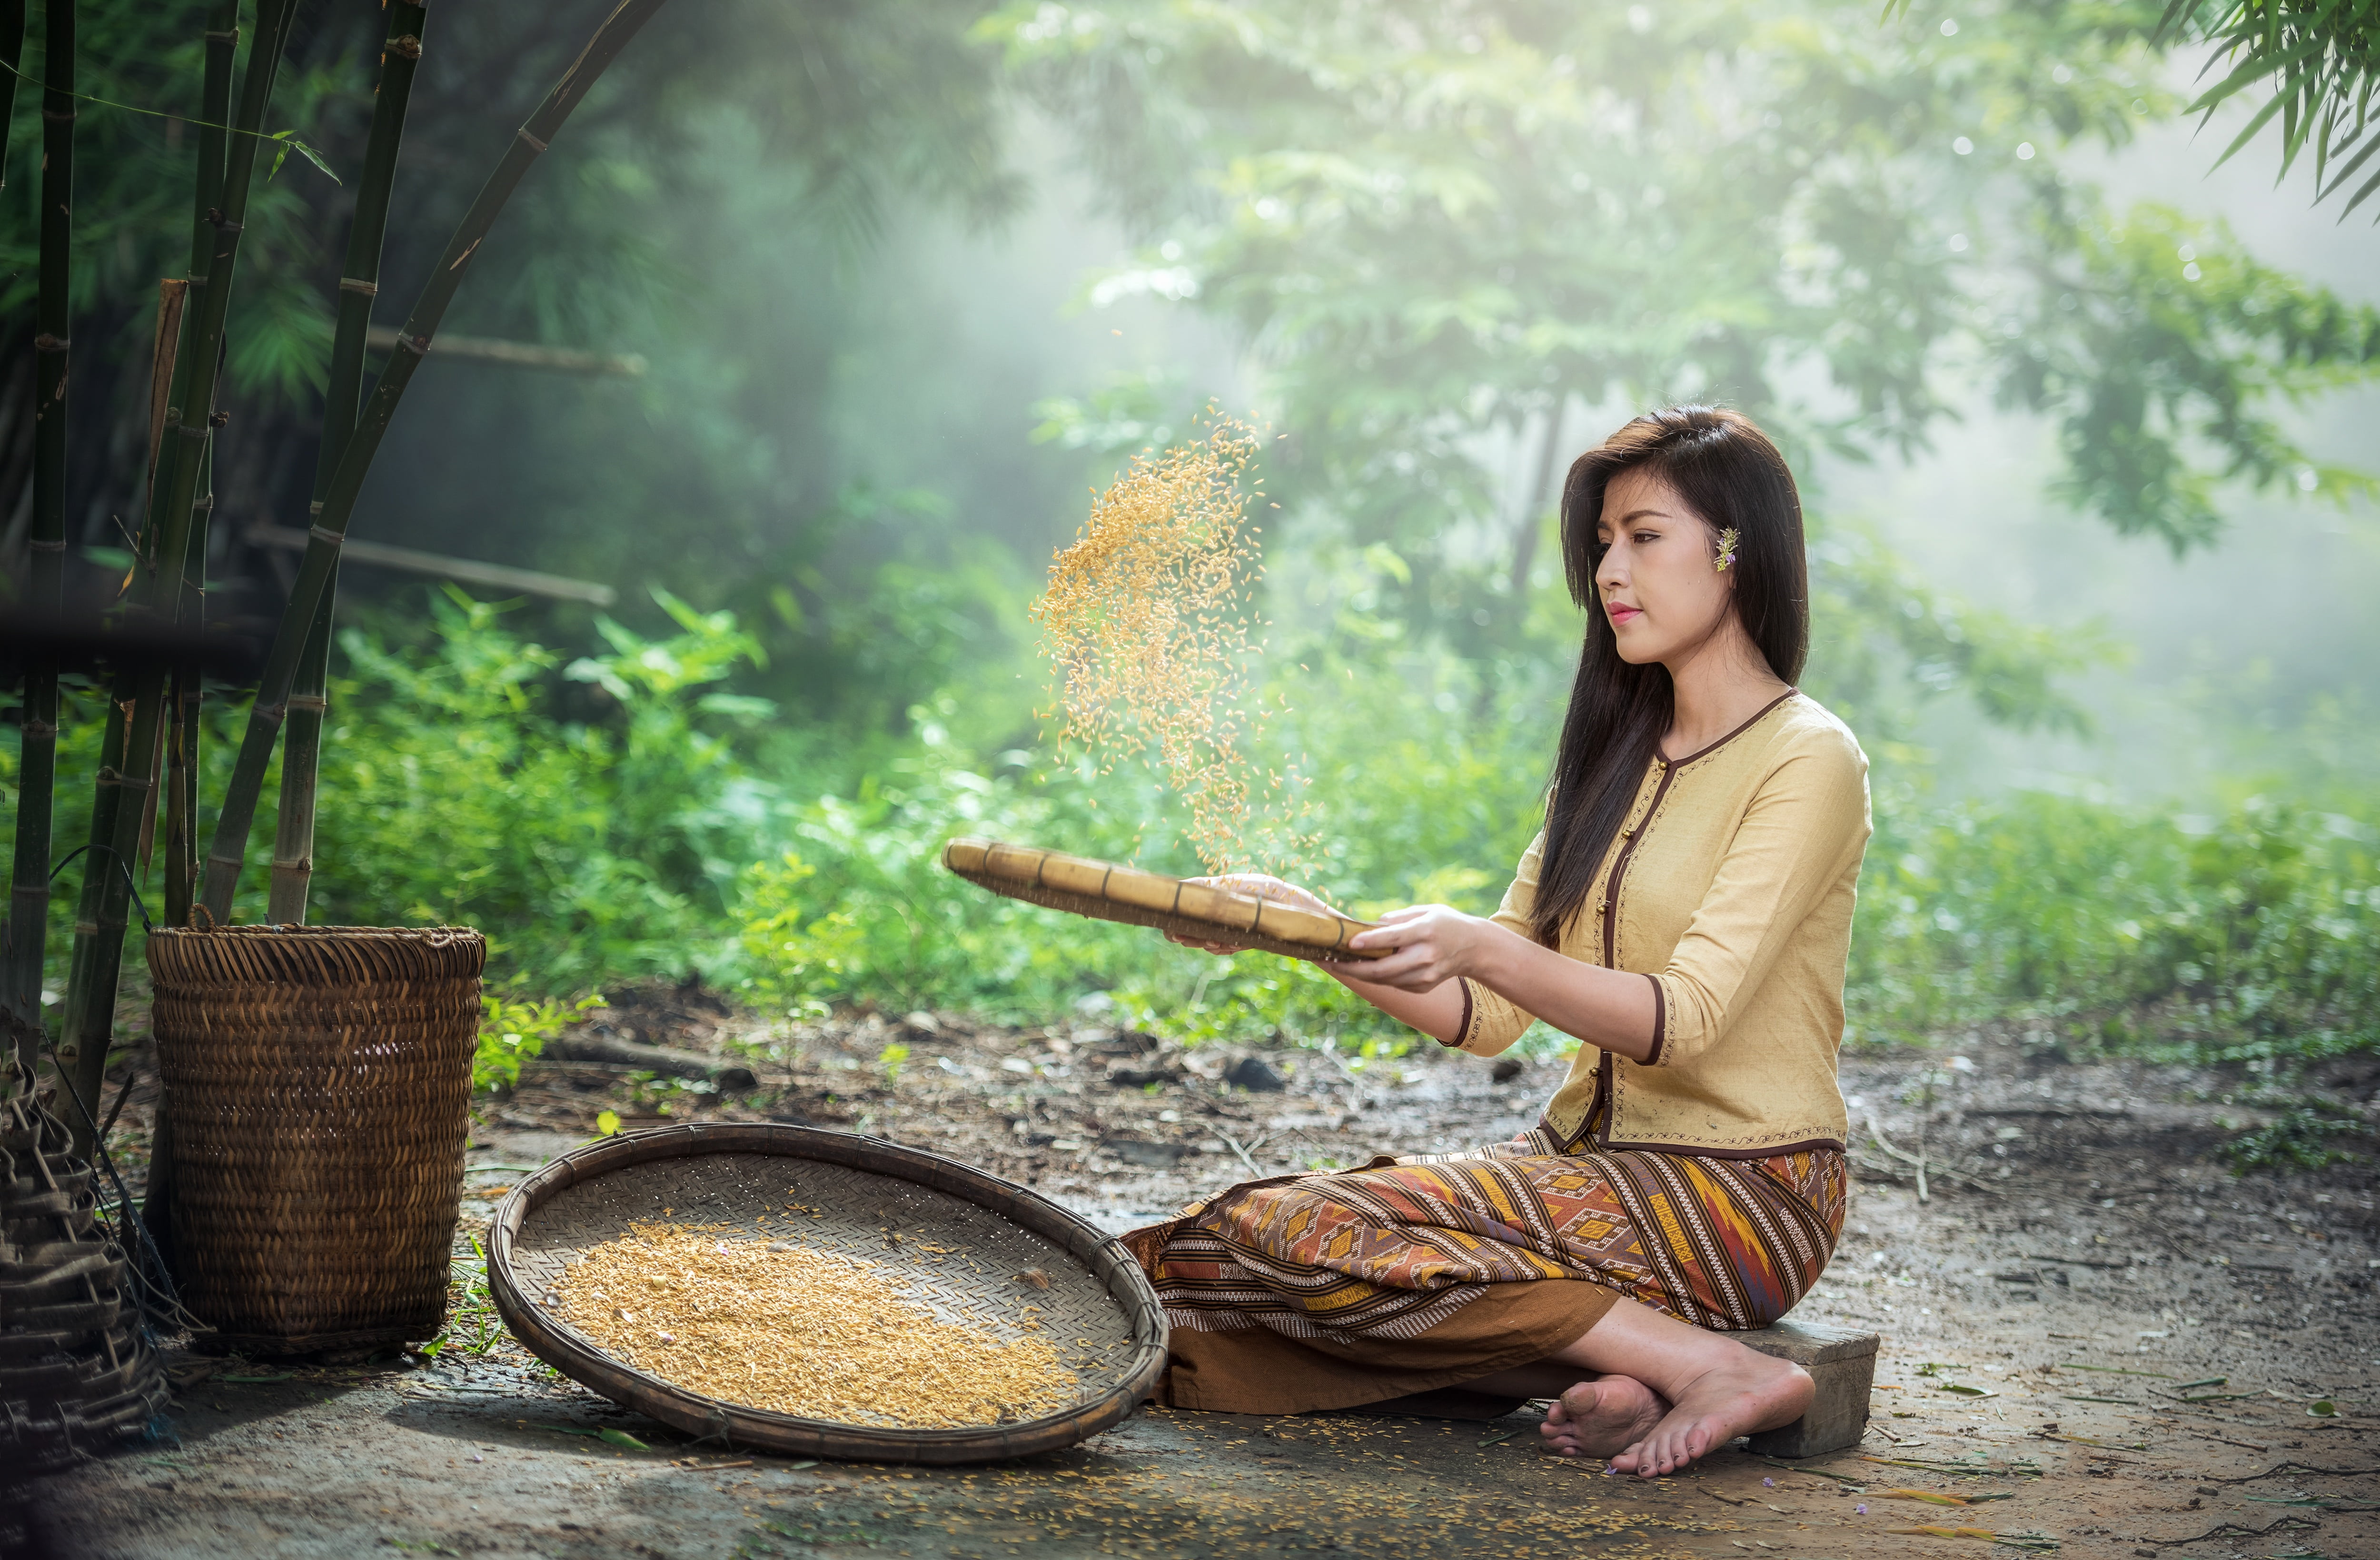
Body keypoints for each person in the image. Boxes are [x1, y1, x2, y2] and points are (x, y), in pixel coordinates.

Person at [1132, 404, 1870, 1477]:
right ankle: (1624, 1369)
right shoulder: (1609, 758)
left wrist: (1480, 946)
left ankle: (1720, 1366)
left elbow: (1684, 1017)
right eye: (1603, 543)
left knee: (1298, 1231)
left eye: (1644, 536)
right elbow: (1484, 1016)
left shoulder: (1809, 756)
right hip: (1578, 1167)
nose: (1610, 570)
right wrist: (1297, 923)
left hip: (1740, 1194)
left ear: (1734, 550)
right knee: (1193, 1272)